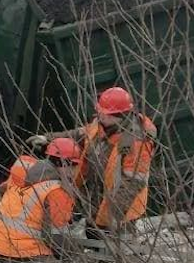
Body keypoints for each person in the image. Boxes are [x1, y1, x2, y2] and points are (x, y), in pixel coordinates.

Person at [29, 87, 156, 234]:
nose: (100, 115)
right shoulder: (101, 124)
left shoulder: (136, 141)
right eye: (100, 111)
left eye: (104, 113)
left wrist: (110, 216)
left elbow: (132, 183)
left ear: (119, 115)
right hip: (97, 194)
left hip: (120, 204)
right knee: (93, 233)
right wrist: (49, 138)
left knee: (117, 244)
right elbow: (79, 134)